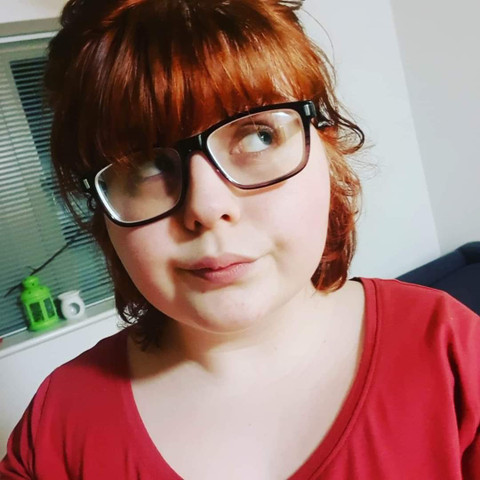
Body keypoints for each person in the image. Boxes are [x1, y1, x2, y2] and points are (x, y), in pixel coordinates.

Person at [1, 0, 479, 478]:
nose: (207, 208)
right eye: (146, 165)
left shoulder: (453, 356)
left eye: (258, 136)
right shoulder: (56, 431)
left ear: (327, 151)